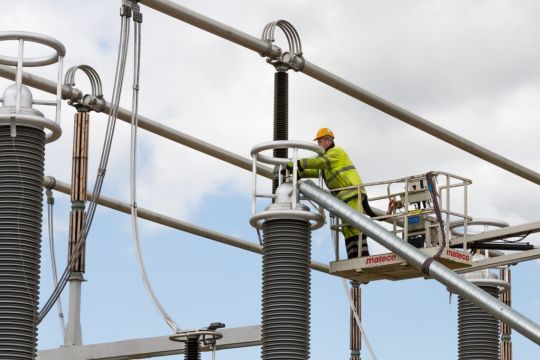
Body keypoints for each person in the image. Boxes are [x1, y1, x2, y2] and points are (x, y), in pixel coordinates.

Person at [286, 128, 378, 259]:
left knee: (356, 225)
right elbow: (315, 170)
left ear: (328, 140)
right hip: (343, 197)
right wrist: (296, 172)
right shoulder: (327, 162)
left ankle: (363, 257)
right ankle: (353, 258)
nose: (318, 144)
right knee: (347, 228)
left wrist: (298, 163)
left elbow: (320, 162)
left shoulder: (336, 152)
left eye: (319, 141)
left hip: (351, 192)